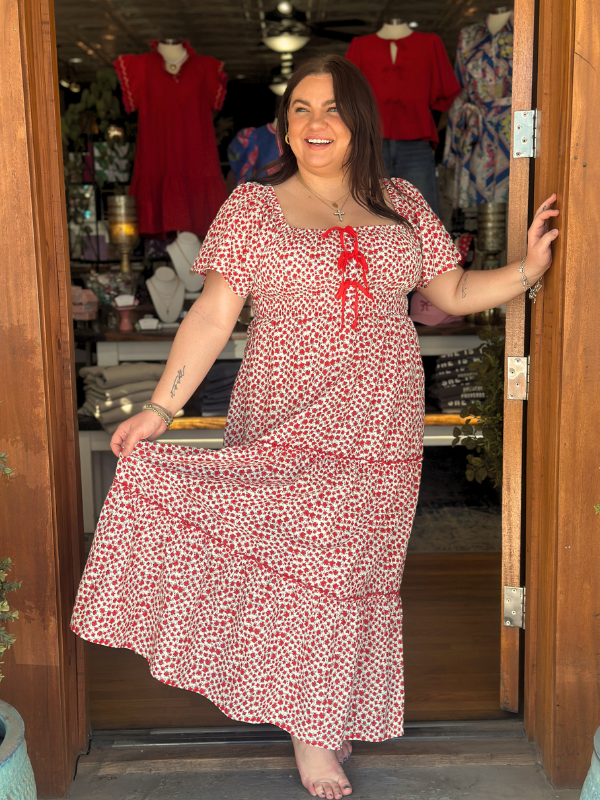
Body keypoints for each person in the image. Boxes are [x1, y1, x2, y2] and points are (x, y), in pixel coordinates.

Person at [70, 54, 558, 800]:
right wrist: (163, 406)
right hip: (285, 418)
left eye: (331, 108)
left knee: (353, 573)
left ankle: (323, 710)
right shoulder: (254, 208)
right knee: (298, 573)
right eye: (300, 109)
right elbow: (212, 315)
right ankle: (312, 726)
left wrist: (527, 268)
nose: (316, 122)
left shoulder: (401, 201)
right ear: (283, 127)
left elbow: (451, 290)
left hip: (382, 428)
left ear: (360, 121)